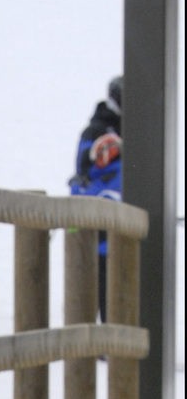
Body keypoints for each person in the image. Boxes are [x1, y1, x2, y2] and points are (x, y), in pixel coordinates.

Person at [69, 74, 122, 320]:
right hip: (99, 220)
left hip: (123, 218)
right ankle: (102, 341)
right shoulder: (97, 129)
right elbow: (83, 171)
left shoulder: (133, 127)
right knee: (99, 277)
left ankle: (113, 339)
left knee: (121, 277)